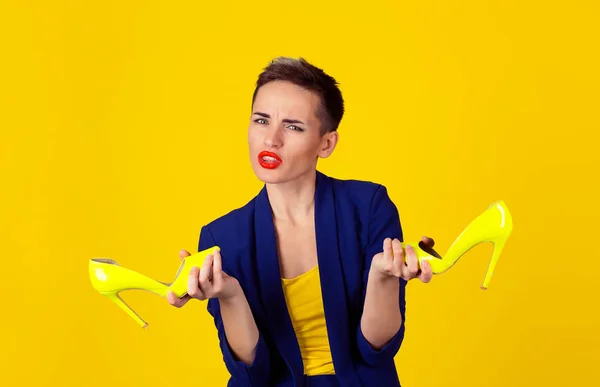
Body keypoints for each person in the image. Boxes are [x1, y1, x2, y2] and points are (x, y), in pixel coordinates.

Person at [167, 57, 435, 387]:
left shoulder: (368, 207)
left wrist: (382, 278)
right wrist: (230, 295)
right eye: (261, 120)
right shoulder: (222, 237)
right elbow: (251, 372)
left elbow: (377, 351)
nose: (272, 140)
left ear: (326, 143)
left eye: (293, 126)